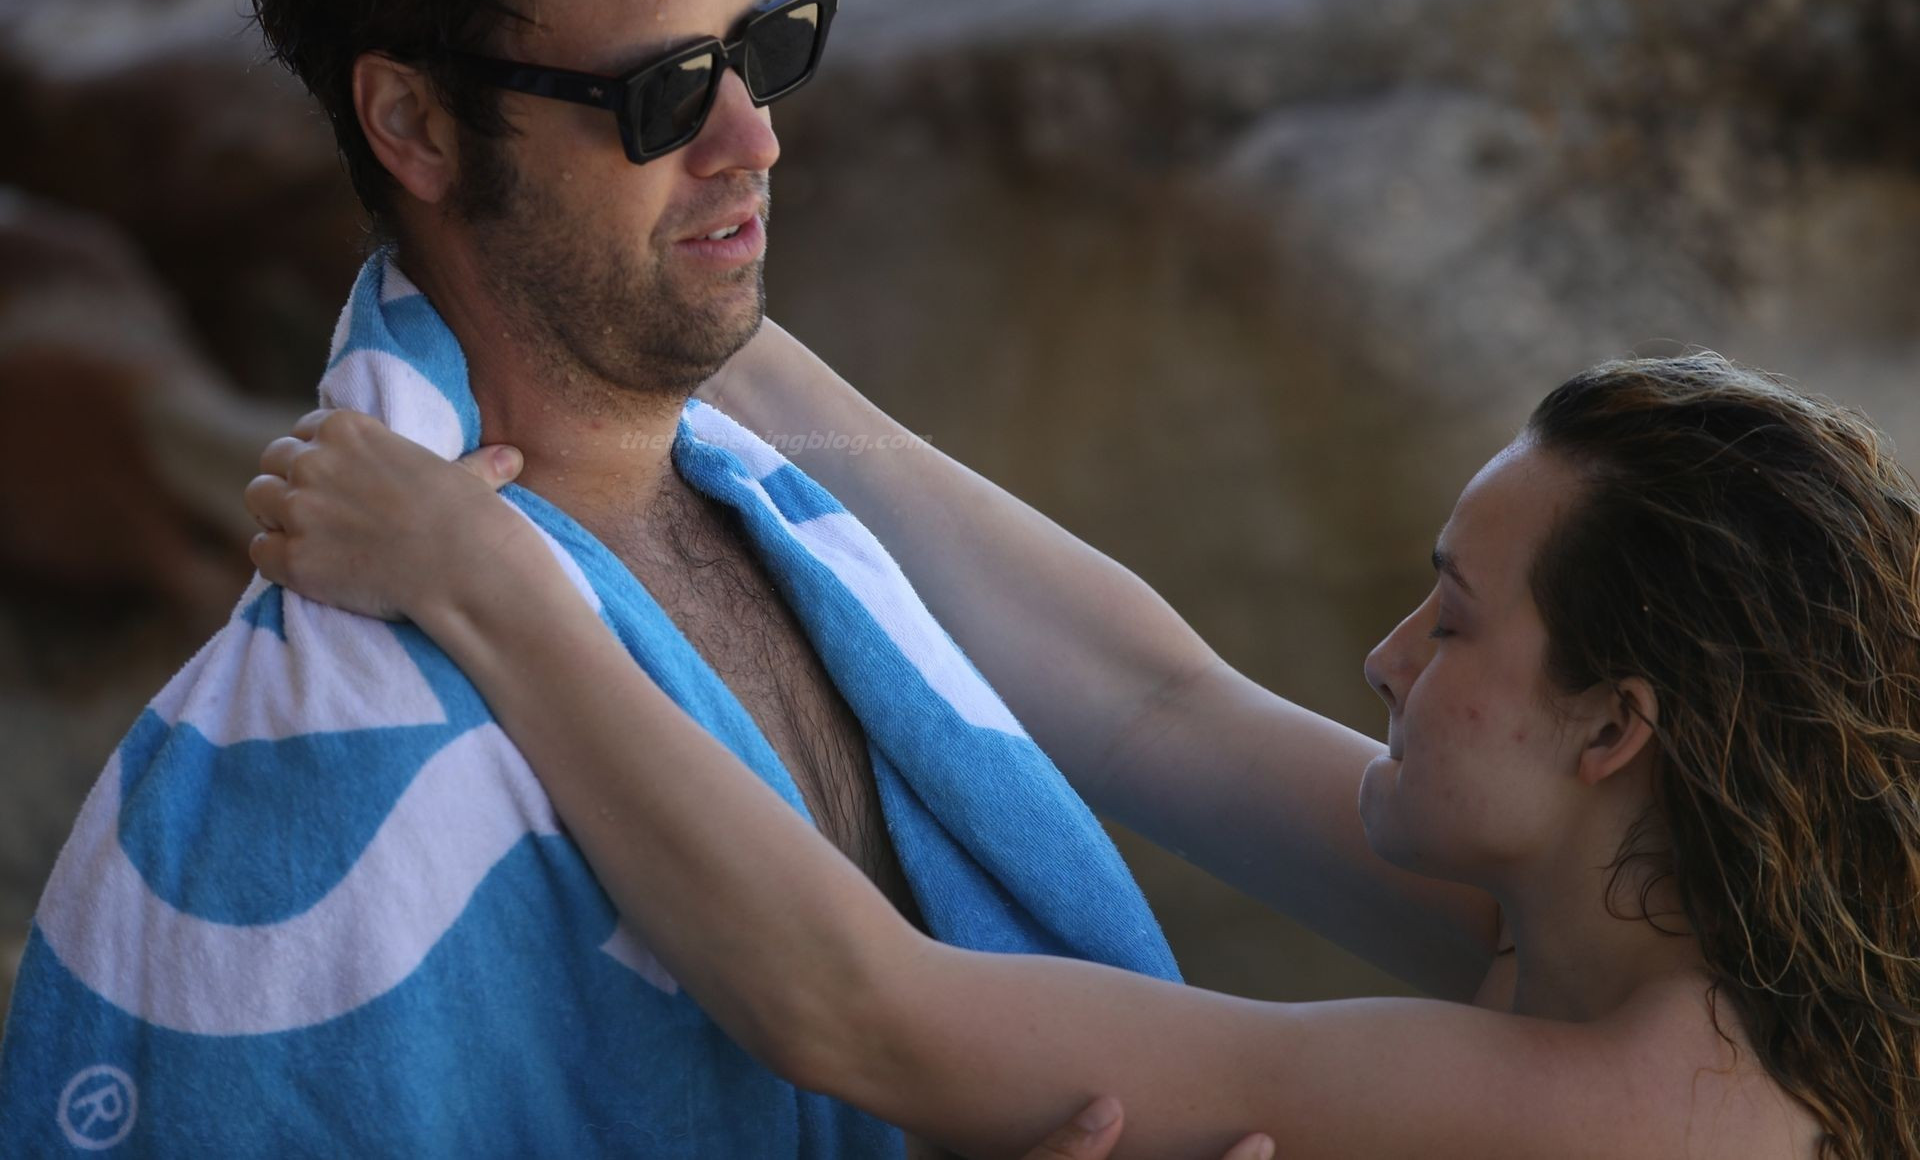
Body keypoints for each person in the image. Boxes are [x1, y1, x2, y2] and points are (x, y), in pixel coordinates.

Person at [0, 0, 1255, 1155]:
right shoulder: (320, 770)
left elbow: (1161, 701)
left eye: (762, 47)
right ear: (415, 123)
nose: (754, 141)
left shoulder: (782, 500)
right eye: (662, 94)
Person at [246, 342, 1920, 1158]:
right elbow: (1153, 704)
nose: (1385, 658)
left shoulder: (1658, 1104)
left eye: (1457, 624)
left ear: (1617, 728)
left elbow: (856, 1011)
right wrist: (714, 328)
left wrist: (485, 588)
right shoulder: (1606, 918)